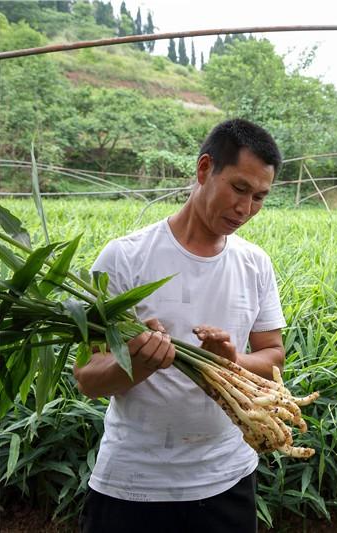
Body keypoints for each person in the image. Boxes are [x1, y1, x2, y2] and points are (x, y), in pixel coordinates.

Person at [74, 118, 287, 533]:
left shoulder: (255, 264)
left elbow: (274, 356)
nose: (246, 209)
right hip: (134, 484)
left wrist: (232, 360)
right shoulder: (124, 258)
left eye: (260, 196)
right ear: (205, 169)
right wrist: (136, 365)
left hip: (228, 479)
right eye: (239, 189)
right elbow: (87, 378)